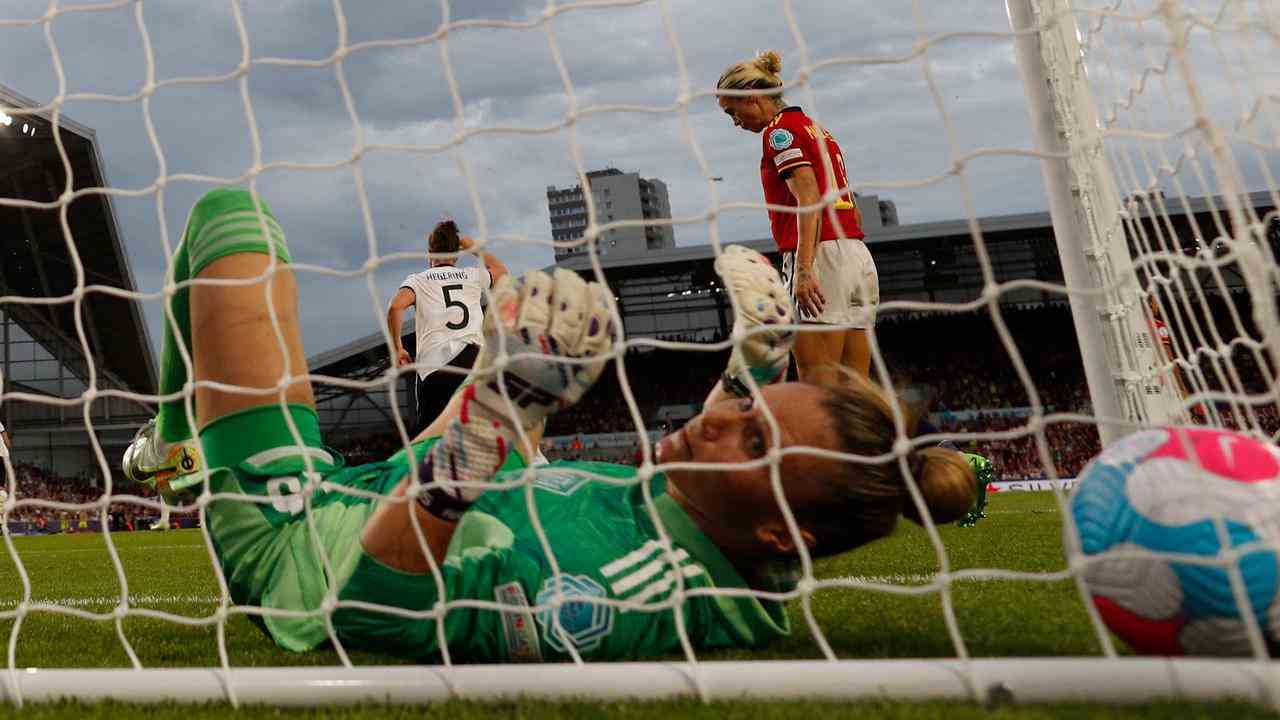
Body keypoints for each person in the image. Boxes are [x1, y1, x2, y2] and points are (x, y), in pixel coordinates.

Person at [124, 188, 975, 661]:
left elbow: (379, 613)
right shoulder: (718, 528)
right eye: (747, 412)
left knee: (228, 221)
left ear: (781, 533)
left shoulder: (617, 595)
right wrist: (750, 367)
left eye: (752, 440)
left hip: (304, 531)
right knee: (520, 456)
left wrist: (499, 411)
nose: (720, 426)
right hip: (432, 454)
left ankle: (177, 442)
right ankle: (172, 442)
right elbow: (702, 467)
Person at [716, 50, 878, 386]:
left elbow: (808, 198)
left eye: (732, 111)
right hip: (857, 255)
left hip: (821, 257)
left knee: (818, 388)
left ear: (752, 96)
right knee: (856, 388)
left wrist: (805, 269)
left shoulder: (779, 133)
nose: (734, 121)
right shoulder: (816, 129)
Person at [387, 220, 508, 436]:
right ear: (457, 253)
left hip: (437, 367)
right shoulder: (472, 275)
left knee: (428, 438)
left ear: (429, 253)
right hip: (474, 362)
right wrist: (473, 247)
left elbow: (396, 306)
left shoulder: (418, 280)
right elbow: (501, 270)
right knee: (481, 434)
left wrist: (397, 348)